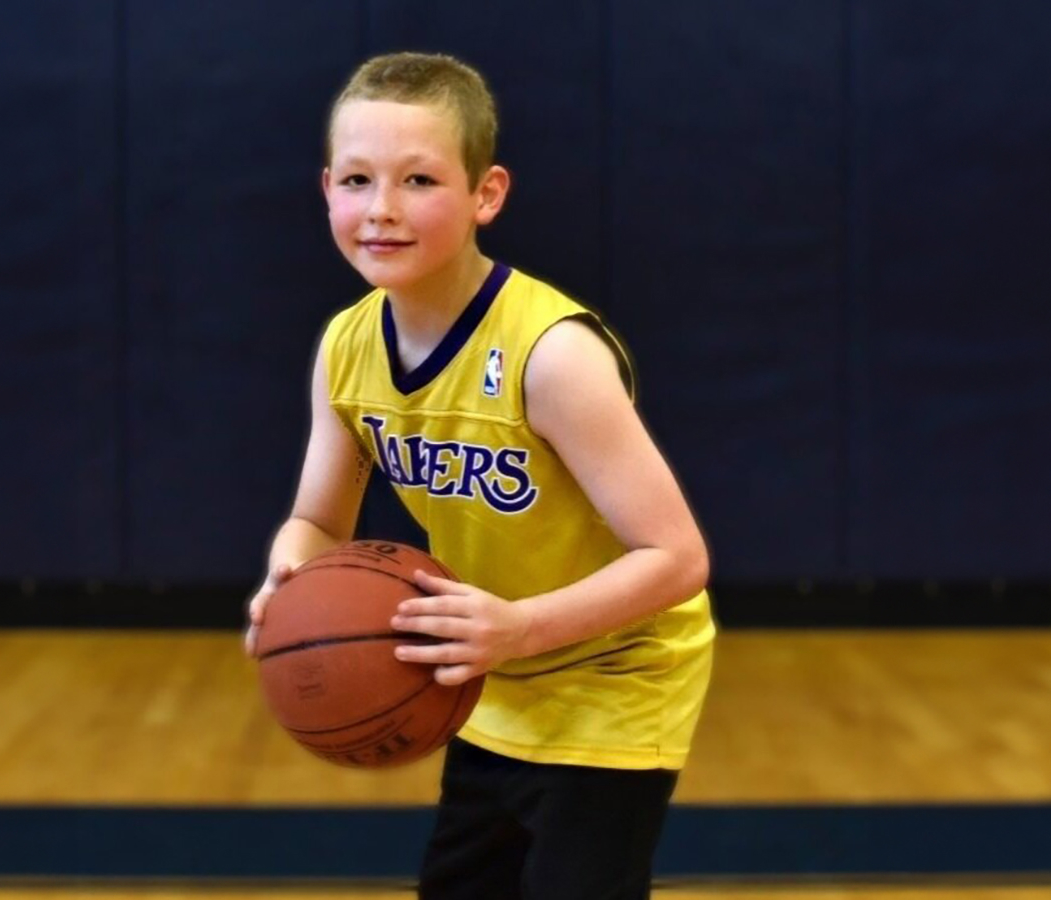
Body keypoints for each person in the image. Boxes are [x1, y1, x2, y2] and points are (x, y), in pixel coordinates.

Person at [247, 51, 715, 900]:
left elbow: (677, 558)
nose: (381, 209)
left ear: (485, 195)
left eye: (419, 180)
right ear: (326, 190)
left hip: (614, 673)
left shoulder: (552, 356)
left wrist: (522, 629)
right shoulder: (347, 347)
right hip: (487, 664)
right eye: (357, 180)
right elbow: (316, 523)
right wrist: (290, 582)